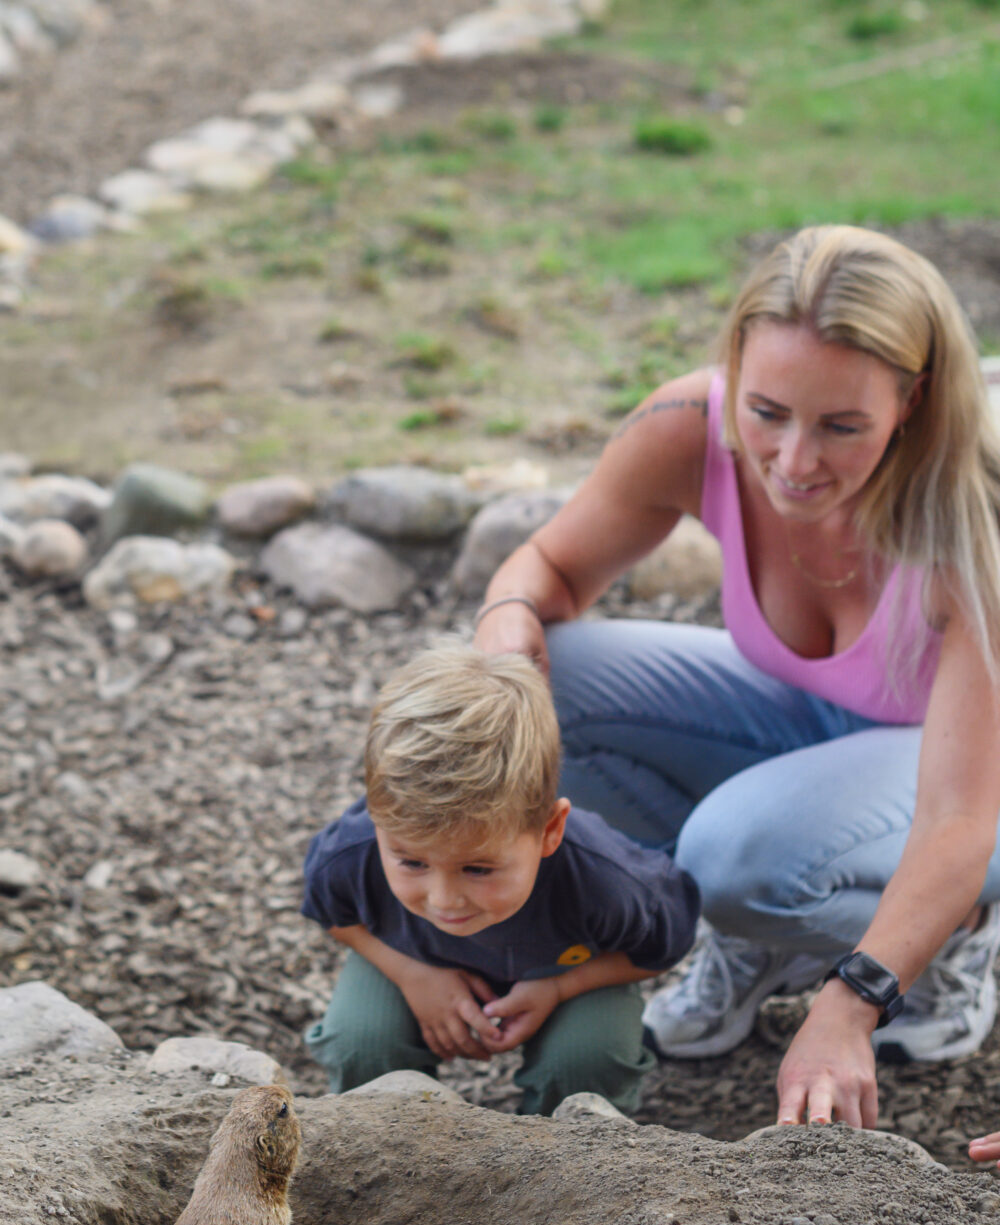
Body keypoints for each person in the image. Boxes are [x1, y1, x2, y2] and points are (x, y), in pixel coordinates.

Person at [473, 223, 1000, 1131]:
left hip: (978, 791)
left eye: (842, 426)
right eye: (767, 412)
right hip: (824, 730)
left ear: (912, 399)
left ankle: (956, 937)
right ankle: (768, 928)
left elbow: (958, 817)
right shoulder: (687, 426)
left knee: (735, 859)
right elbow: (547, 568)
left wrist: (852, 1004)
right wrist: (504, 623)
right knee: (536, 692)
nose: (793, 462)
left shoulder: (973, 515)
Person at [301, 643, 699, 1115]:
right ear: (376, 818)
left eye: (478, 869)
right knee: (362, 1042)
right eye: (411, 863)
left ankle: (565, 1154)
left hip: (568, 973)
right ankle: (381, 1141)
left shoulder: (608, 882)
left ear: (549, 831)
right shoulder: (351, 854)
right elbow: (332, 912)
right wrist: (410, 974)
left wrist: (560, 988)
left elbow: (661, 948)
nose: (444, 900)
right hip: (408, 960)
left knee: (586, 1061)